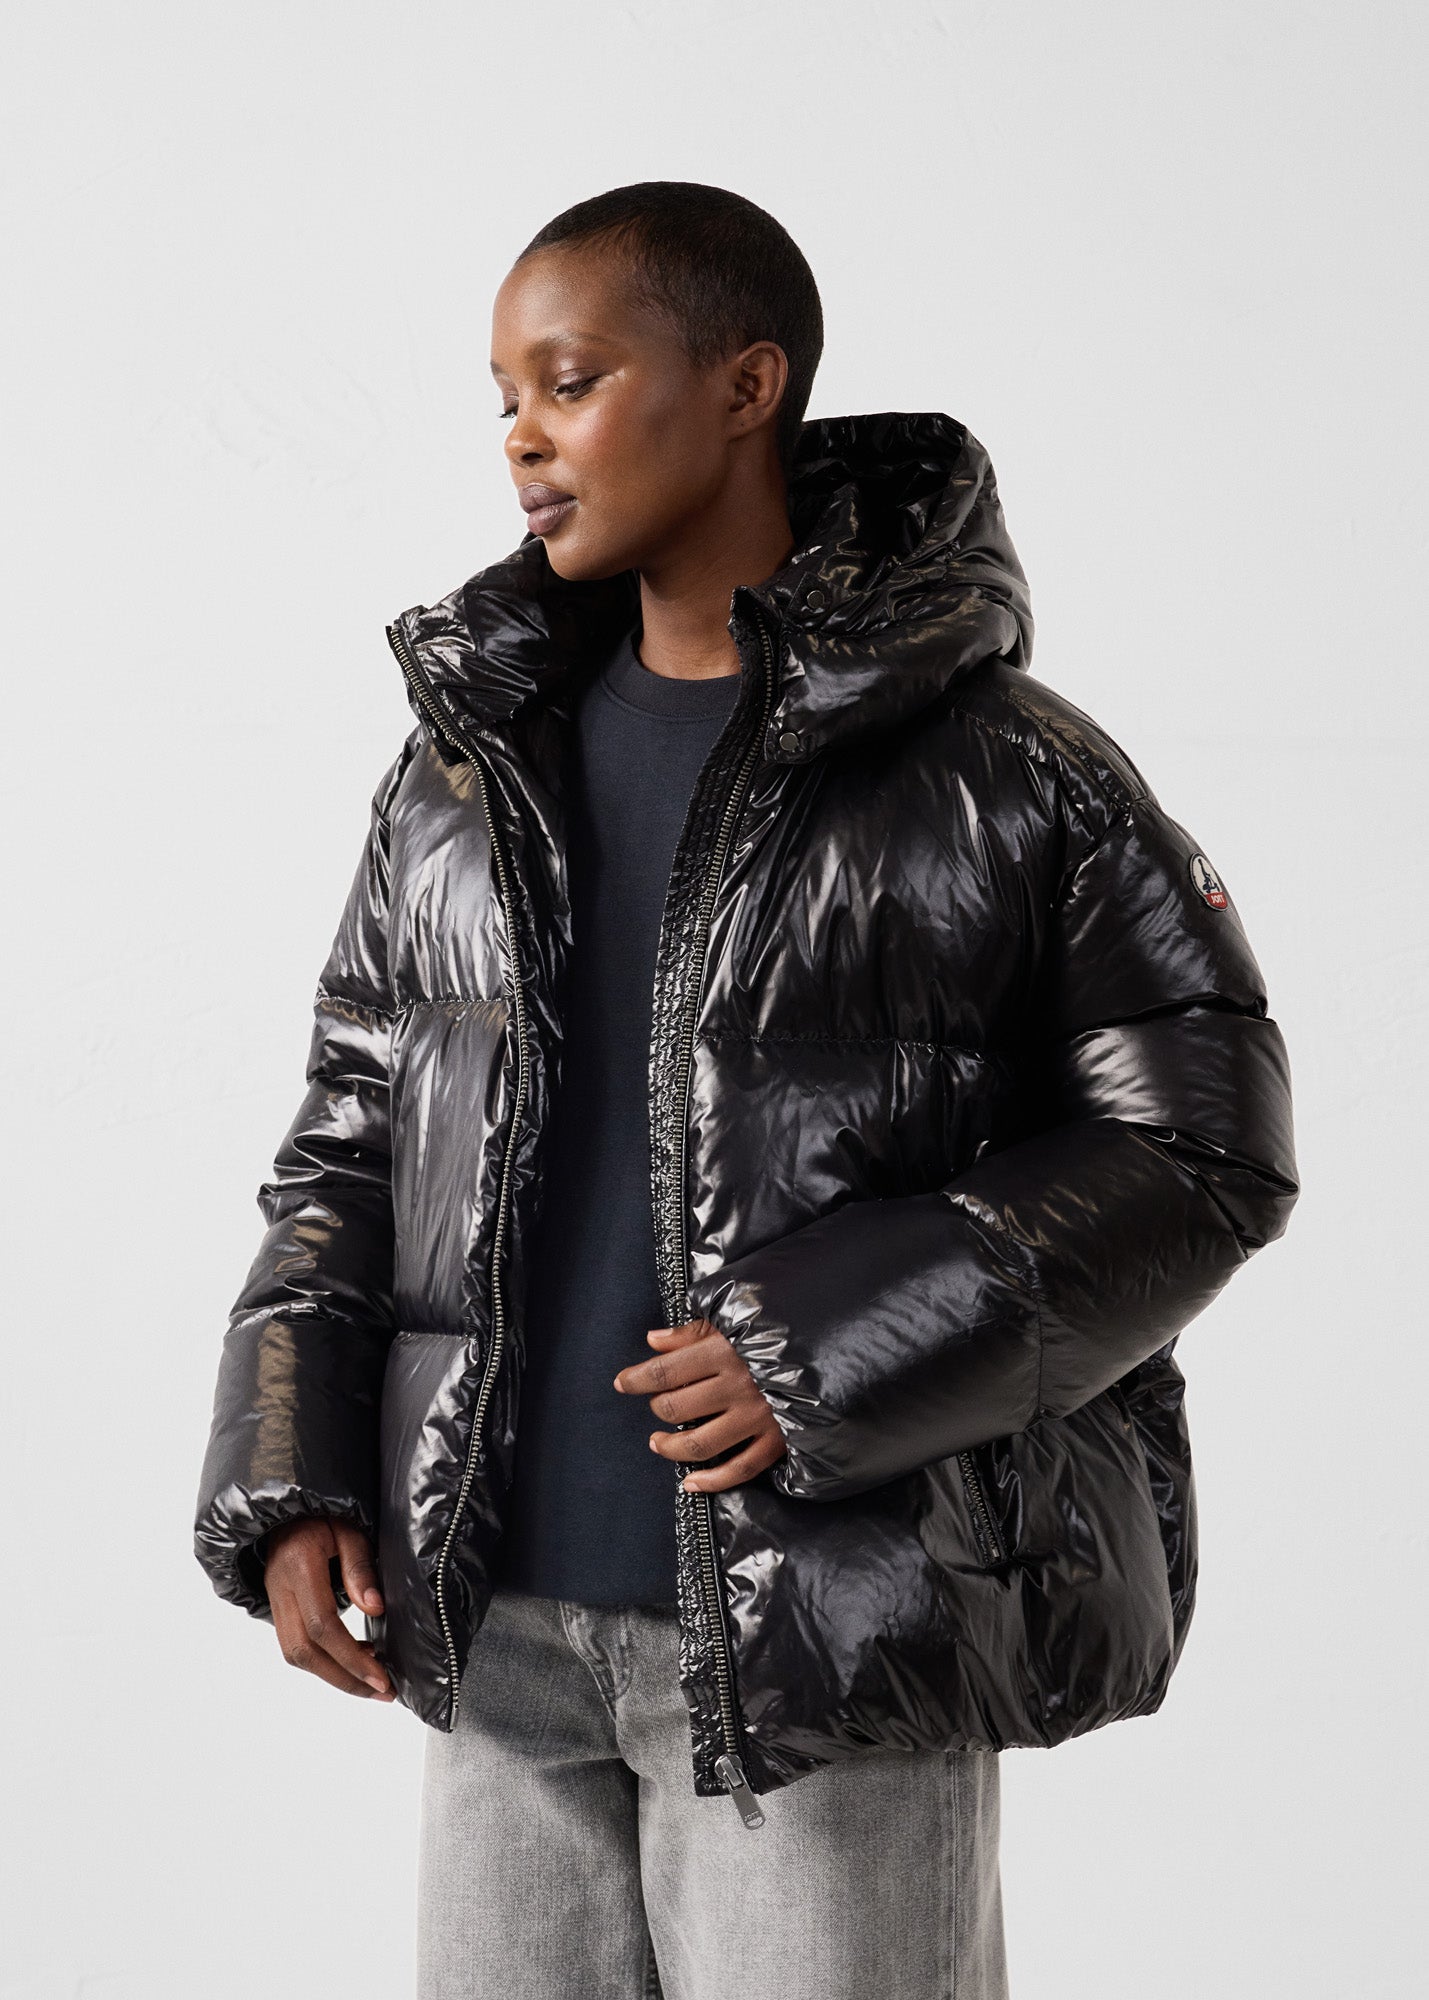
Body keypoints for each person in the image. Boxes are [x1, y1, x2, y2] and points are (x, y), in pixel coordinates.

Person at [194, 181, 1298, 2000]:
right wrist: (292, 1456)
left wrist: (823, 1352)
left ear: (742, 385)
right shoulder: (466, 773)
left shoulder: (1008, 774)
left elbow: (1199, 1149)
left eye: (569, 382)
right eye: (503, 397)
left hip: (824, 1642)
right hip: (494, 1630)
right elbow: (351, 1129)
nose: (521, 437)